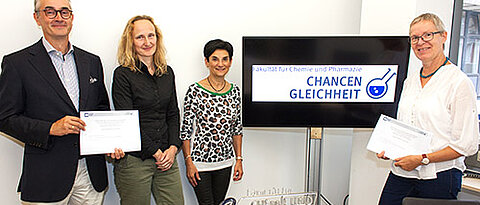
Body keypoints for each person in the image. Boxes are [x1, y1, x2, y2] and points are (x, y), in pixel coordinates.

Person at [0, 0, 124, 204]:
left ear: (72, 17)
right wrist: (50, 128)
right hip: (46, 176)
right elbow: (5, 118)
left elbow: (101, 108)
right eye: (50, 12)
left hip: (90, 174)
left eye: (64, 12)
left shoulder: (92, 61)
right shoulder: (17, 63)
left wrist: (109, 141)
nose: (59, 17)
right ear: (37, 18)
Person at [377, 13, 479, 204]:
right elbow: (406, 126)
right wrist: (390, 148)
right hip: (402, 172)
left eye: (428, 35)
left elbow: (467, 144)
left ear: (443, 36)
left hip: (439, 176)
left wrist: (422, 158)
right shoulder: (411, 81)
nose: (420, 42)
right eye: (415, 38)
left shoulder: (458, 82)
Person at [111, 15, 184, 205]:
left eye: (151, 36)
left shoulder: (167, 72)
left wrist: (174, 148)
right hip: (135, 161)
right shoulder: (123, 74)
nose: (147, 42)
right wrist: (156, 152)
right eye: (140, 37)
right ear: (131, 42)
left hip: (167, 157)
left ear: (157, 39)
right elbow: (128, 122)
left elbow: (173, 114)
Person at [180, 39, 244, 205]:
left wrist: (239, 159)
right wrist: (188, 162)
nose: (220, 64)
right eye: (215, 59)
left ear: (230, 61)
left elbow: (236, 129)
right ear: (207, 61)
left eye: (225, 59)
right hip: (200, 163)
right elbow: (185, 130)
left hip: (225, 162)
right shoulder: (195, 90)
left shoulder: (235, 91)